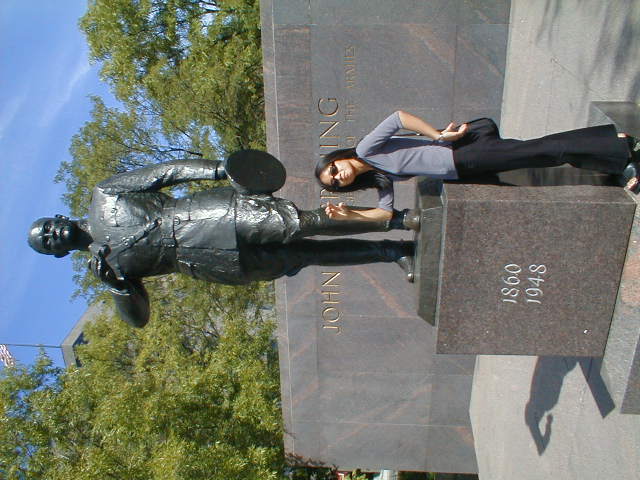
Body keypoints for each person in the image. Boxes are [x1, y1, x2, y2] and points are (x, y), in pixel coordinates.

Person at [28, 156, 416, 328]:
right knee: (305, 255)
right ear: (58, 253)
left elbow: (166, 172)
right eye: (47, 242)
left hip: (210, 214)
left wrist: (219, 170)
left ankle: (395, 220)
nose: (51, 234)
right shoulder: (109, 270)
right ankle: (392, 251)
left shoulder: (105, 196)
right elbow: (138, 319)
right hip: (211, 263)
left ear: (57, 217)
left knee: (301, 223)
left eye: (47, 227)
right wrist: (117, 288)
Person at [315, 111, 639, 221]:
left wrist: (436, 135)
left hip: (462, 154)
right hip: (464, 168)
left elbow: (398, 117)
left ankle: (620, 150)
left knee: (542, 152)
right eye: (336, 183)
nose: (339, 177)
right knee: (540, 152)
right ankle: (614, 145)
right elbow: (386, 213)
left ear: (336, 159)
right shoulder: (380, 175)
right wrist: (351, 215)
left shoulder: (365, 149)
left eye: (333, 170)